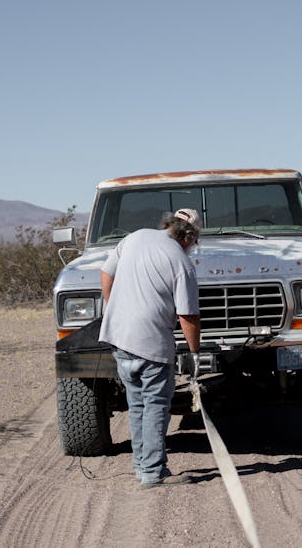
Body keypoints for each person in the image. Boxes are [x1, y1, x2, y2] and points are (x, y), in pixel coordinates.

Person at [98, 208, 202, 489]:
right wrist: (194, 354)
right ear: (189, 236)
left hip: (120, 339)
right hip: (152, 343)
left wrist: (116, 309)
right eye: (194, 241)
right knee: (155, 405)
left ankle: (142, 467)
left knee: (137, 404)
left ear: (169, 224)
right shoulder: (180, 261)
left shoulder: (134, 238)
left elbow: (106, 274)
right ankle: (153, 473)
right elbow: (187, 316)